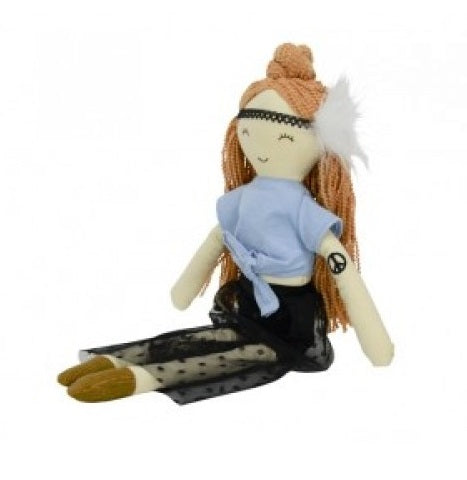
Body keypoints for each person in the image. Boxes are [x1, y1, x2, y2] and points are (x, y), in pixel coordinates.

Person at [57, 43, 394, 405]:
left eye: (283, 138)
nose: (259, 146)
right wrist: (185, 288)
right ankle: (114, 359)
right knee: (223, 342)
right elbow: (218, 238)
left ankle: (141, 377)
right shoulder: (242, 198)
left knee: (245, 357)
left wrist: (373, 337)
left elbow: (339, 263)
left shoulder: (302, 209)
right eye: (247, 133)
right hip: (248, 301)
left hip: (290, 317)